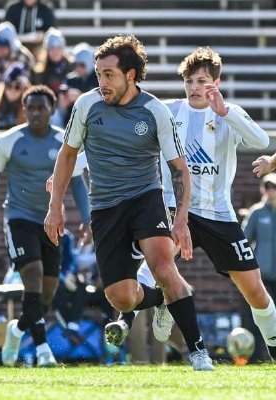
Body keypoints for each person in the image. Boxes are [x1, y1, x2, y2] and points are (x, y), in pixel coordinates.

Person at [44, 35, 214, 371]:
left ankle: (198, 351)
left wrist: (180, 220)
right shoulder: (86, 106)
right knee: (120, 297)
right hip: (106, 208)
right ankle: (160, 300)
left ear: (131, 75)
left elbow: (179, 169)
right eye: (98, 74)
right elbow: (67, 156)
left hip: (145, 198)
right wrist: (55, 205)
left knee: (164, 267)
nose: (102, 82)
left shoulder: (154, 111)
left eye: (109, 75)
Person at [106, 46, 276, 363]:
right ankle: (126, 319)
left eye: (201, 81)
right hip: (175, 210)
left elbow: (260, 141)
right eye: (189, 82)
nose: (195, 88)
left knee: (255, 292)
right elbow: (122, 139)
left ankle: (274, 351)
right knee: (154, 263)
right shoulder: (168, 113)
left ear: (216, 82)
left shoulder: (228, 115)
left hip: (219, 215)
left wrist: (224, 110)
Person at [0, 85, 91, 368]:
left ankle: (17, 330)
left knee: (46, 295)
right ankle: (42, 350)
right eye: (31, 108)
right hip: (19, 218)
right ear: (24, 110)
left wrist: (88, 219)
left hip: (52, 222)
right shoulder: (8, 141)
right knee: (33, 275)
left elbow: (77, 181)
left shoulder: (65, 142)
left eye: (42, 108)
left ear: (52, 110)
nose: (36, 113)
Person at [241, 173, 276, 360]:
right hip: (262, 276)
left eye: (274, 187)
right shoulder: (257, 212)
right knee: (258, 318)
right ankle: (255, 358)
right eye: (268, 187)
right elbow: (244, 240)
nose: (271, 191)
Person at [32, 27, 73, 94]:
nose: (55, 51)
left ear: (62, 48)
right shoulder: (40, 72)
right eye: (51, 48)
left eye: (58, 47)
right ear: (47, 50)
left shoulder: (71, 68)